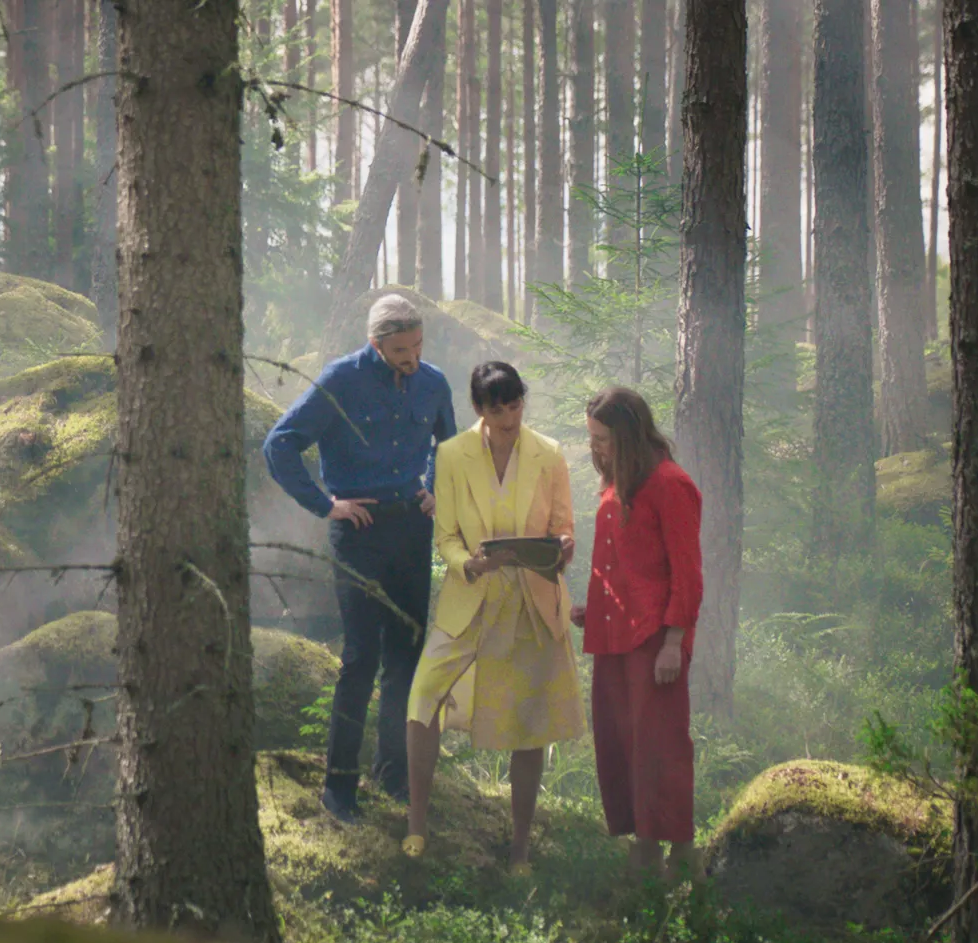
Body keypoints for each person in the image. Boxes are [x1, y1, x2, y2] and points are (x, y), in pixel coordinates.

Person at [263, 295, 457, 823]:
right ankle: (339, 788)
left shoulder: (433, 382)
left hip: (412, 529)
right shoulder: (341, 380)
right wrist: (326, 505)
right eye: (400, 349)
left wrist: (437, 490)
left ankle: (392, 777)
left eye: (417, 345)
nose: (412, 357)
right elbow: (279, 444)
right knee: (359, 659)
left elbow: (450, 446)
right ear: (376, 343)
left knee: (405, 657)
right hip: (359, 532)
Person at [402, 362, 583, 867]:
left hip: (531, 599)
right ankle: (417, 824)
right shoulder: (452, 454)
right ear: (480, 409)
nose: (509, 418)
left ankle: (519, 849)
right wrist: (470, 564)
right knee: (423, 695)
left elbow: (564, 527)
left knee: (529, 722)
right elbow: (446, 537)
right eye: (498, 409)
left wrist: (563, 547)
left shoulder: (548, 454)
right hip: (472, 597)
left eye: (516, 405)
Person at [571, 387, 705, 882]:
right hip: (614, 634)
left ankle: (681, 854)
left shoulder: (670, 484)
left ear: (628, 434)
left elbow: (686, 574)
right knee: (620, 739)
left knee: (660, 744)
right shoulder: (617, 482)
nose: (597, 448)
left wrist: (674, 642)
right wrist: (596, 606)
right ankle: (644, 846)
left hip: (654, 639)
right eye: (593, 438)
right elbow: (624, 562)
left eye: (603, 438)